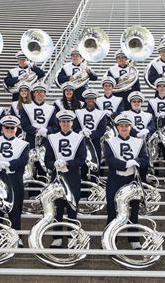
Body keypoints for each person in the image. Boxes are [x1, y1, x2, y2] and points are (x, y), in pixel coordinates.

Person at [104, 112, 149, 249]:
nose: (124, 128)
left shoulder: (139, 142)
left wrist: (135, 161)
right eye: (121, 125)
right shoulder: (110, 142)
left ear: (131, 127)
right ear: (117, 127)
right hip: (115, 179)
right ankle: (110, 240)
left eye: (126, 125)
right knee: (112, 210)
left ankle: (134, 239)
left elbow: (145, 159)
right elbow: (110, 160)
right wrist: (124, 164)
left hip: (132, 179)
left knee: (133, 210)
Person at [0, 115, 30, 248]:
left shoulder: (23, 144)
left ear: (16, 129)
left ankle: (16, 236)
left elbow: (23, 160)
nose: (9, 129)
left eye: (12, 127)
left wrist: (9, 164)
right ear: (2, 128)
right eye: (7, 127)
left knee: (15, 210)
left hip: (14, 179)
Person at [45, 110, 87, 248]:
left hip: (73, 176)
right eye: (63, 121)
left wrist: (68, 163)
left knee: (72, 209)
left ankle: (72, 237)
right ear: (59, 123)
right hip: (56, 177)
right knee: (57, 209)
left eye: (68, 121)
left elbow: (81, 159)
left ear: (72, 123)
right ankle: (56, 238)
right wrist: (54, 164)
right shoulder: (51, 138)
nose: (65, 124)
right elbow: (47, 160)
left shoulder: (79, 138)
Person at [74, 89, 107, 185]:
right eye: (88, 98)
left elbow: (102, 129)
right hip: (81, 143)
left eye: (92, 98)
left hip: (95, 142)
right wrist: (81, 132)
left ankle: (95, 191)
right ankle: (83, 193)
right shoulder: (78, 112)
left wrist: (91, 135)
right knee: (82, 167)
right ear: (85, 100)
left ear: (95, 100)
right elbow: (75, 127)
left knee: (95, 167)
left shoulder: (101, 113)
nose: (90, 100)